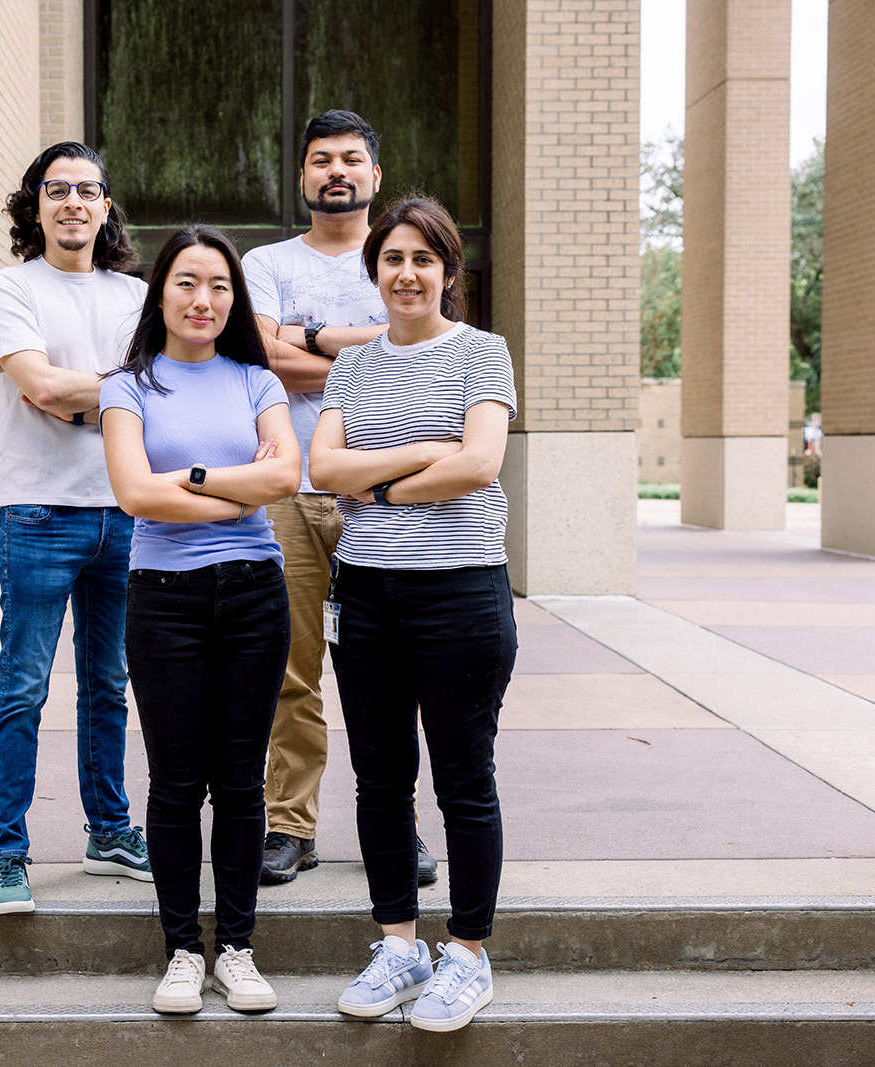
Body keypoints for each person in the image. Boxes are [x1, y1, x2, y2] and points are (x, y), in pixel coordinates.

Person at [309, 197, 518, 1033]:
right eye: (392, 258)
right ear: (375, 271)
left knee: (465, 780)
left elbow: (479, 463)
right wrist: (424, 453)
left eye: (423, 259)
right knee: (381, 778)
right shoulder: (352, 367)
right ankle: (398, 941)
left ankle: (467, 953)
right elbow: (324, 466)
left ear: (448, 271)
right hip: (365, 595)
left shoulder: (483, 354)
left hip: (461, 592)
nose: (406, 273)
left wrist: (382, 484)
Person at [99, 225, 300, 1014]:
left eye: (218, 284)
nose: (203, 298)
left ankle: (238, 949)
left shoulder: (257, 379)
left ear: (233, 297)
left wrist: (188, 473)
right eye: (187, 281)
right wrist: (233, 484)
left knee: (242, 781)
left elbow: (285, 474)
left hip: (255, 593)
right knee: (179, 782)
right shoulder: (128, 386)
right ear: (162, 292)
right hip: (165, 598)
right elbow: (136, 495)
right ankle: (184, 949)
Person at [241, 109, 438, 887]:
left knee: (393, 670)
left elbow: (425, 343)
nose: (336, 172)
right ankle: (290, 826)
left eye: (351, 159)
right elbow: (259, 356)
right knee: (290, 668)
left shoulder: (399, 255)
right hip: (289, 486)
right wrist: (370, 346)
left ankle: (398, 825)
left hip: (387, 493)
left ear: (375, 175)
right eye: (321, 159)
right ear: (303, 175)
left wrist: (313, 337)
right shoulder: (266, 261)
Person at [0, 142, 152, 915]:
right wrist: (121, 392)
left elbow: (163, 390)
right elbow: (41, 387)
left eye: (87, 190)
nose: (73, 202)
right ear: (35, 205)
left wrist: (92, 396)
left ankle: (108, 830)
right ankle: (8, 856)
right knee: (22, 688)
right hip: (39, 514)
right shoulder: (9, 289)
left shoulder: (138, 296)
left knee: (110, 685)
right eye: (57, 190)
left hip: (124, 512)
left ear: (106, 205)